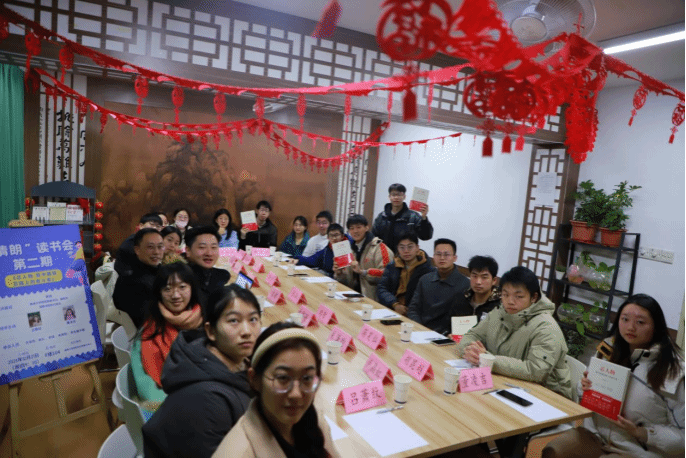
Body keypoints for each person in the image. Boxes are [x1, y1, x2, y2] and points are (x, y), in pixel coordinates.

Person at [542, 294, 685, 458]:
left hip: (636, 450)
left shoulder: (673, 371)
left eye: (640, 322)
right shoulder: (608, 349)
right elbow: (585, 395)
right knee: (555, 450)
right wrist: (584, 387)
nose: (630, 327)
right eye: (625, 319)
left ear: (656, 326)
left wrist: (642, 432)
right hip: (596, 435)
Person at [143, 284, 262, 458]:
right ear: (211, 331)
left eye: (253, 319)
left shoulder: (237, 361)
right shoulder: (206, 401)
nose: (247, 331)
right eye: (233, 321)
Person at [212, 322, 342, 458]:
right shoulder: (238, 453)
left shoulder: (314, 419)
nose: (296, 394)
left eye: (307, 378)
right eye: (283, 378)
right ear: (254, 379)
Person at [130, 262, 203, 412]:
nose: (175, 295)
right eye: (167, 289)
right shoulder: (148, 333)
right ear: (159, 293)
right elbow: (149, 394)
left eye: (182, 287)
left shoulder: (205, 322)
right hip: (171, 409)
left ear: (192, 289)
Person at [406, 238, 469, 334]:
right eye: (438, 254)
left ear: (454, 258)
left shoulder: (465, 284)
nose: (442, 258)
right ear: (434, 256)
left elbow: (463, 319)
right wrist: (419, 328)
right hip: (420, 330)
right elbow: (413, 308)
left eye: (446, 254)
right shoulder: (425, 279)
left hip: (446, 336)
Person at [113, 228, 164, 327]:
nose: (156, 252)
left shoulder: (159, 271)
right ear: (137, 250)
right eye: (150, 247)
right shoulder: (131, 281)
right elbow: (145, 319)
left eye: (160, 247)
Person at [334, 214, 393, 300]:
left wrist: (362, 272)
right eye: (352, 228)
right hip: (351, 297)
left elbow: (386, 276)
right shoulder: (348, 249)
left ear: (366, 228)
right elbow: (347, 282)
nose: (355, 231)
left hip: (373, 300)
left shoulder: (380, 248)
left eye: (358, 227)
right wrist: (339, 274)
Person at [376, 232, 435, 316]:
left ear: (417, 248)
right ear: (397, 248)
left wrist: (409, 311)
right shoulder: (392, 266)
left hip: (415, 314)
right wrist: (395, 304)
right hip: (392, 308)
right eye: (402, 247)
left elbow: (427, 298)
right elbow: (381, 288)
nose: (406, 251)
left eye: (410, 247)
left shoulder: (428, 270)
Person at [371, 183, 433, 253]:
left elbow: (426, 236)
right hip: (385, 256)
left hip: (406, 255)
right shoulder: (382, 217)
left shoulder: (413, 216)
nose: (396, 197)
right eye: (393, 195)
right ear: (389, 197)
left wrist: (424, 218)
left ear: (404, 197)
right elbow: (374, 238)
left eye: (399, 195)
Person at [184, 226, 231, 309]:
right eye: (202, 247)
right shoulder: (181, 279)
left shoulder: (221, 275)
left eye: (213, 247)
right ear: (188, 251)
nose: (209, 253)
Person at [453, 255, 501, 322]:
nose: (478, 282)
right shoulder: (460, 298)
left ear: (494, 280)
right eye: (474, 276)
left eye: (484, 277)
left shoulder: (500, 305)